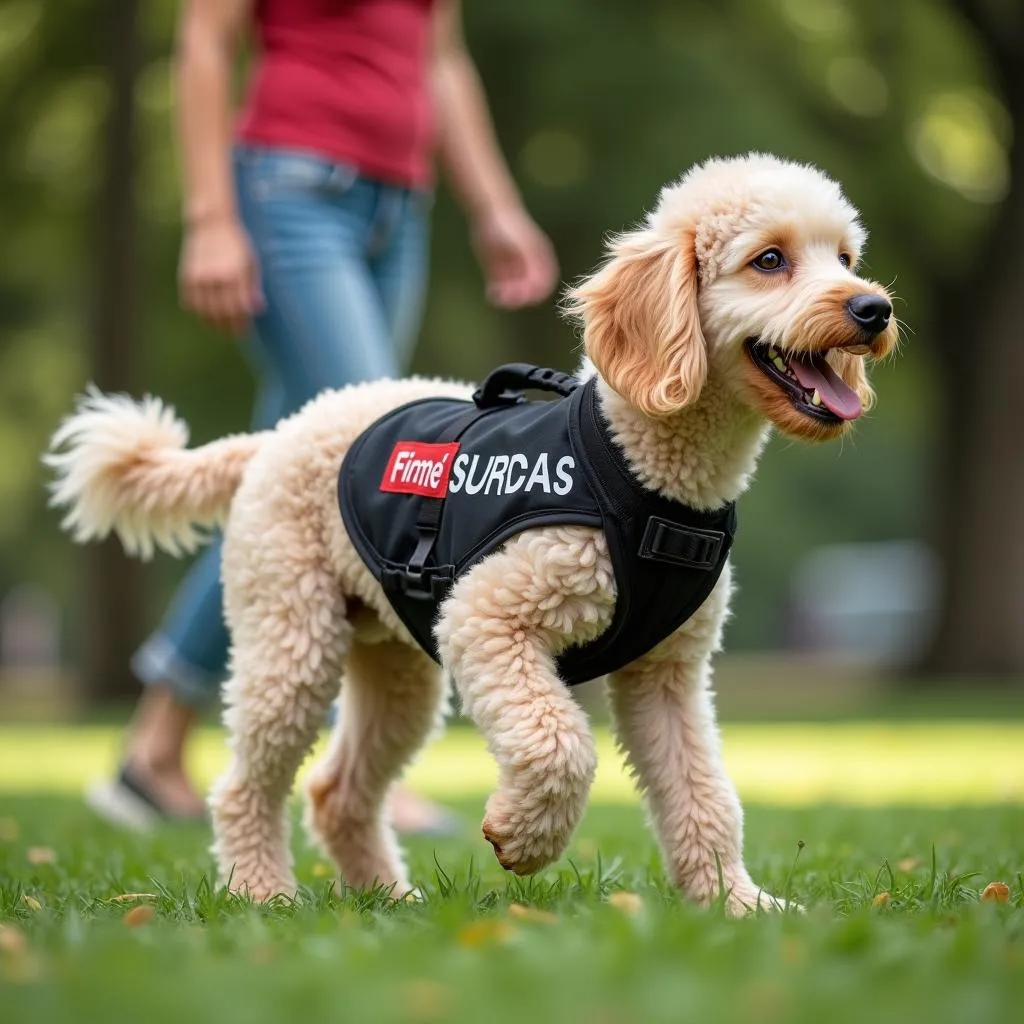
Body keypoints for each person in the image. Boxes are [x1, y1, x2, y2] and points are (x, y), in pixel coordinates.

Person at [87, 0, 558, 833]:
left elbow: (441, 58)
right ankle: (358, 772)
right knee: (375, 461)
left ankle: (156, 747)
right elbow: (204, 37)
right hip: (289, 187)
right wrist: (210, 219)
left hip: (397, 208)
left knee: (289, 485)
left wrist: (494, 207)